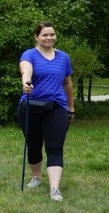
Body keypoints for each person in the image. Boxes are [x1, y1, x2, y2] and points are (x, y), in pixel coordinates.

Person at [18, 21, 74, 202]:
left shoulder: (63, 58)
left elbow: (67, 84)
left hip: (57, 106)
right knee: (33, 142)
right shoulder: (30, 55)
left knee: (55, 146)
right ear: (36, 37)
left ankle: (55, 188)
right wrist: (26, 84)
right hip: (31, 105)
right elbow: (26, 71)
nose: (49, 38)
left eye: (52, 34)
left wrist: (71, 108)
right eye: (45, 35)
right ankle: (36, 177)